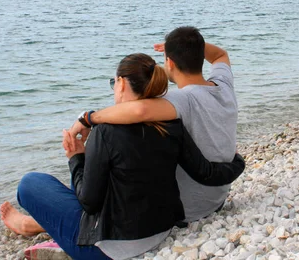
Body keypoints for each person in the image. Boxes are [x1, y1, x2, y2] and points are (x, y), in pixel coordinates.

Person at [0, 53, 245, 260]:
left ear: (121, 83)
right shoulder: (172, 124)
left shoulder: (105, 132)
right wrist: (238, 162)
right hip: (160, 232)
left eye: (113, 83)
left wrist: (76, 158)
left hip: (109, 250)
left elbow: (89, 202)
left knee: (30, 184)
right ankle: (35, 225)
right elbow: (206, 172)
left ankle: (33, 227)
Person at [68, 26, 237, 222]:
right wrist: (185, 46)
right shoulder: (223, 84)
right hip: (218, 196)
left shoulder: (182, 99)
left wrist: (88, 117)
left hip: (189, 208)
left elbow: (140, 110)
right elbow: (220, 55)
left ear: (169, 62)